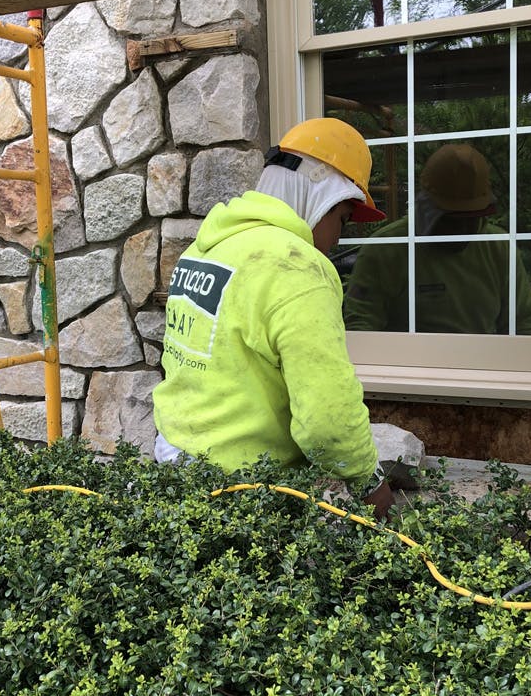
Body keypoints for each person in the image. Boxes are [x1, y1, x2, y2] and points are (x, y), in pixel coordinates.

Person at [151, 117, 396, 517]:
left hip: (172, 460)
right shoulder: (297, 267)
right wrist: (369, 481)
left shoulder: (206, 248)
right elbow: (326, 420)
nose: (336, 239)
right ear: (325, 196)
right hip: (240, 491)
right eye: (342, 220)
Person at [344, 143, 531, 334]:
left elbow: (524, 321)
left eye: (472, 218)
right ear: (427, 208)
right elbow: (361, 325)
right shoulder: (386, 250)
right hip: (406, 365)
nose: (463, 229)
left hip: (486, 365)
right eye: (453, 219)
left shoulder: (499, 247)